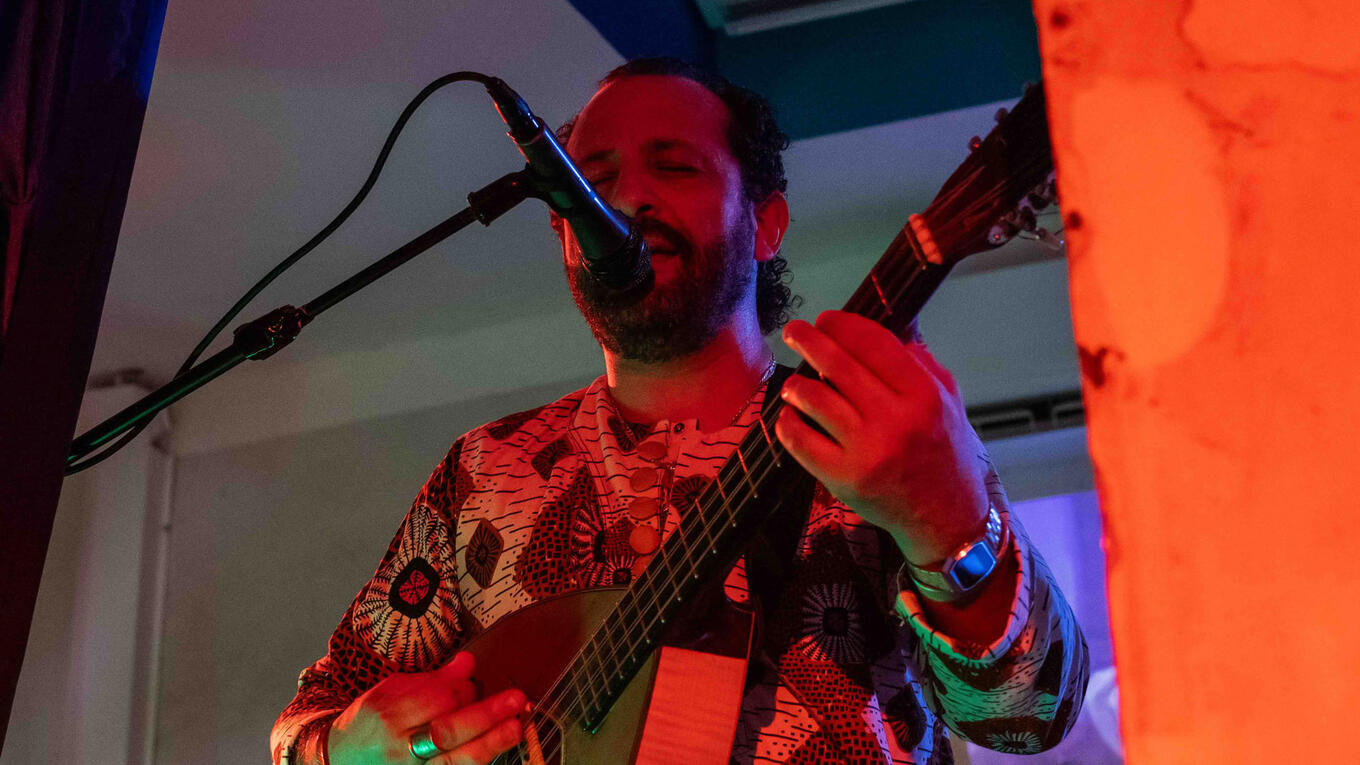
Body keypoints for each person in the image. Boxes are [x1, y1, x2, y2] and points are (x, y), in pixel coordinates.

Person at [271, 57, 1088, 765]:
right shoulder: (484, 469)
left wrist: (943, 521)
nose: (629, 200)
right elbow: (308, 720)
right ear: (563, 231)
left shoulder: (873, 430)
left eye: (676, 168)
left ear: (766, 221)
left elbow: (1028, 718)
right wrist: (350, 745)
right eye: (595, 180)